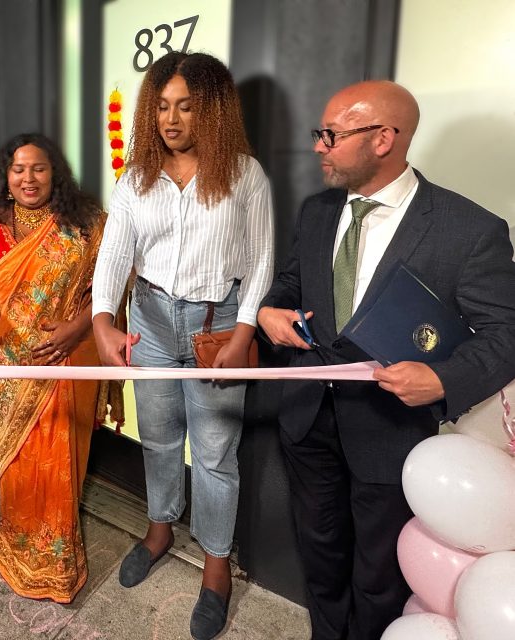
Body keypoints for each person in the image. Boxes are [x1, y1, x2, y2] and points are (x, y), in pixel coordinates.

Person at [257, 80, 515, 640]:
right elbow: (292, 282)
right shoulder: (318, 211)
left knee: (379, 575)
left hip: (390, 433)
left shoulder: (470, 232)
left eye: (331, 134)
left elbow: (506, 333)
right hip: (307, 419)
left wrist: (442, 378)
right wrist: (269, 311)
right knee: (320, 555)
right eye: (319, 134)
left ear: (383, 139)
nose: (318, 147)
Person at [92, 52, 275, 640]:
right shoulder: (136, 177)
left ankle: (217, 564)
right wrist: (102, 320)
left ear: (213, 109)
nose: (171, 119)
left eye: (187, 106)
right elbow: (115, 253)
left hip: (213, 325)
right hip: (148, 320)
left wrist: (244, 332)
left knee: (216, 451)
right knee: (160, 435)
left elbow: (261, 261)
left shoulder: (245, 175)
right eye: (163, 106)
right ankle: (160, 527)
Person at [0, 133, 121, 603]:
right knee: (20, 470)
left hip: (69, 361)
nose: (29, 178)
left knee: (62, 462)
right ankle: (21, 556)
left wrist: (76, 328)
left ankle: (59, 567)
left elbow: (110, 287)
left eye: (39, 168)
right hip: (9, 369)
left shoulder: (87, 223)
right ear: (6, 177)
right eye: (18, 169)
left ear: (55, 173)